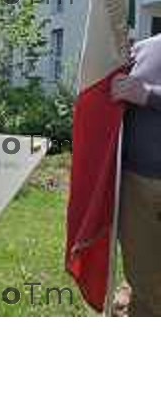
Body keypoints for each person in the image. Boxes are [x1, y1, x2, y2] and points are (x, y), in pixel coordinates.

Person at [111, 32, 161, 316]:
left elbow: (141, 95)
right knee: (144, 282)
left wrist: (147, 95)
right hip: (137, 185)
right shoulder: (140, 50)